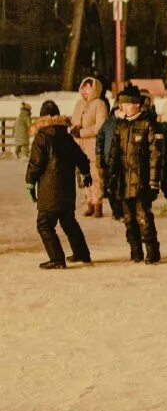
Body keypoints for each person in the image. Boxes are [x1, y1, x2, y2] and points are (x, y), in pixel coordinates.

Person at [25, 100, 92, 269]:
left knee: (44, 224)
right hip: (67, 190)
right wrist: (86, 173)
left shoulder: (42, 136)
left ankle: (57, 258)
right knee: (68, 220)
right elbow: (81, 158)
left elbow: (36, 164)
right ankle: (82, 253)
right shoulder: (66, 136)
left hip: (50, 190)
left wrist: (30, 183)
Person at [107, 83, 162, 265]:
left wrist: (154, 181)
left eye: (126, 104)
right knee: (128, 218)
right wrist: (111, 175)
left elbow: (156, 155)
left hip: (141, 181)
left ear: (136, 104)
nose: (122, 107)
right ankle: (135, 251)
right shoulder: (120, 125)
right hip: (124, 181)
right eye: (121, 105)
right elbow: (114, 152)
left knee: (143, 217)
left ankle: (152, 252)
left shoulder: (148, 124)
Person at [70, 76, 109, 218]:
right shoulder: (79, 104)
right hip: (80, 146)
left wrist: (82, 132)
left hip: (94, 145)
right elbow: (74, 120)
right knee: (84, 175)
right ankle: (89, 203)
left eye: (89, 88)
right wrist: (74, 128)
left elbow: (100, 126)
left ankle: (98, 204)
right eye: (84, 88)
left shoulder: (100, 104)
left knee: (95, 175)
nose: (86, 91)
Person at [96, 104, 126, 221]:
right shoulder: (107, 124)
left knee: (119, 187)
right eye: (119, 110)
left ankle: (120, 212)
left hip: (121, 161)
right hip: (108, 160)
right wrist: (99, 155)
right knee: (110, 188)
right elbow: (99, 139)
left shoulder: (125, 123)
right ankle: (116, 211)